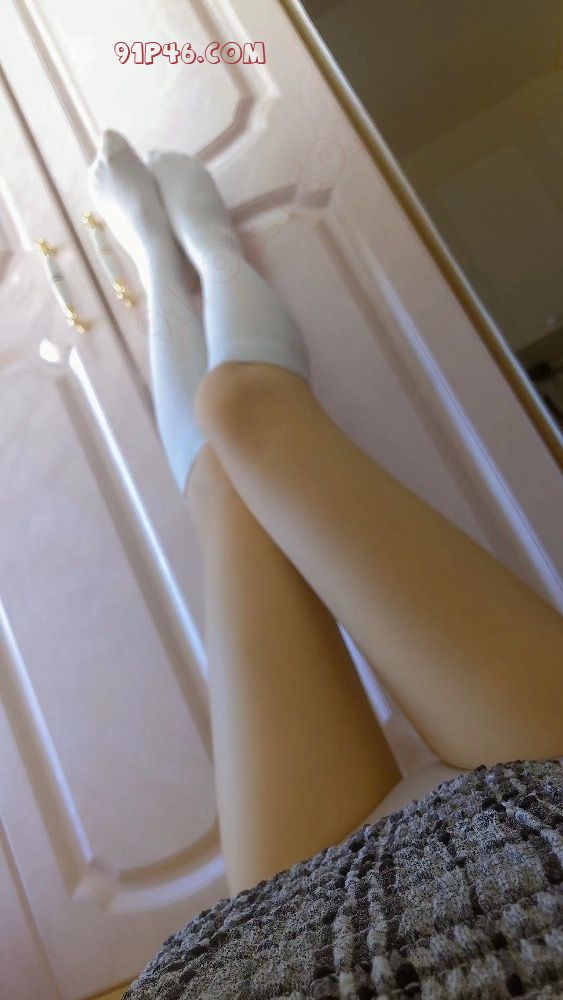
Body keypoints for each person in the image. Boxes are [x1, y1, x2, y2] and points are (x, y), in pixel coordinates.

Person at [90, 131, 563, 999]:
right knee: (247, 408)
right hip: (546, 832)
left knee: (224, 495)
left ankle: (159, 261)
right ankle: (206, 249)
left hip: (302, 958)